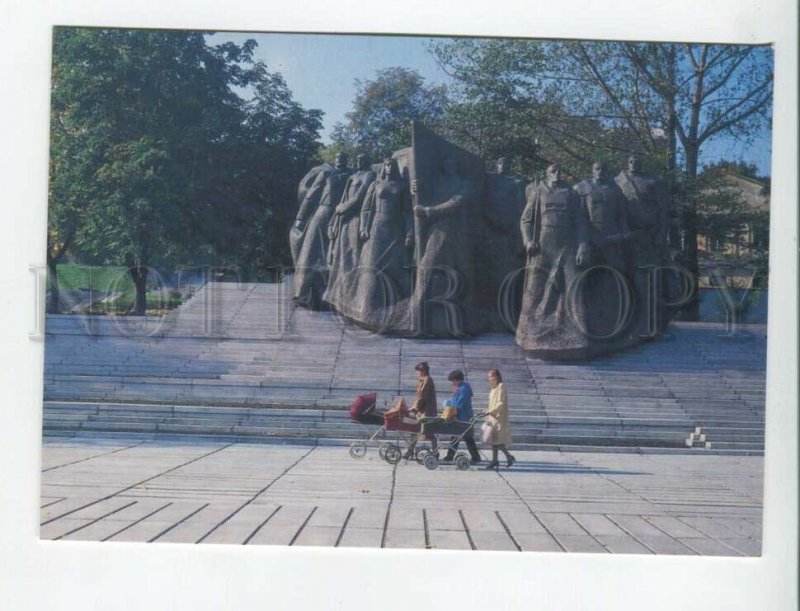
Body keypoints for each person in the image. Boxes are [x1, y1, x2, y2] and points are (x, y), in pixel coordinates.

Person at [323, 153, 376, 312]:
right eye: (358, 159)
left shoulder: (369, 175)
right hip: (344, 219)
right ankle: (338, 293)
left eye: (363, 159)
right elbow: (344, 198)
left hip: (356, 218)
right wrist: (335, 218)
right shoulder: (353, 175)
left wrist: (344, 207)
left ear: (368, 161)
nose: (359, 161)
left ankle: (352, 295)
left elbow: (361, 195)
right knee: (341, 254)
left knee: (353, 254)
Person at [443, 370, 481, 464]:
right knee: (456, 437)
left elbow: (460, 403)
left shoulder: (465, 388)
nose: (453, 383)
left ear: (457, 379)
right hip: (459, 417)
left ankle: (476, 457)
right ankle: (450, 456)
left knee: (468, 438)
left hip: (464, 418)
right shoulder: (460, 387)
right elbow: (454, 402)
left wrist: (453, 412)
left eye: (453, 381)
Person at [404, 361, 438, 459]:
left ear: (422, 371)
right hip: (422, 412)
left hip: (426, 413)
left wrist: (414, 408)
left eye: (418, 371)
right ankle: (410, 451)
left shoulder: (427, 380)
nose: (417, 373)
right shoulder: (423, 380)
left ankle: (435, 453)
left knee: (429, 433)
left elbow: (422, 397)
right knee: (415, 431)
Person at [483, 368, 516, 469]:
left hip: (498, 418)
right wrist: (487, 410)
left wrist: (492, 411)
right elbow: (492, 403)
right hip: (492, 418)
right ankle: (496, 460)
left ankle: (507, 457)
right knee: (493, 440)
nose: (490, 379)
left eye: (491, 377)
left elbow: (500, 403)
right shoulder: (493, 388)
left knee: (497, 441)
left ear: (496, 377)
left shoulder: (501, 386)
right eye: (489, 378)